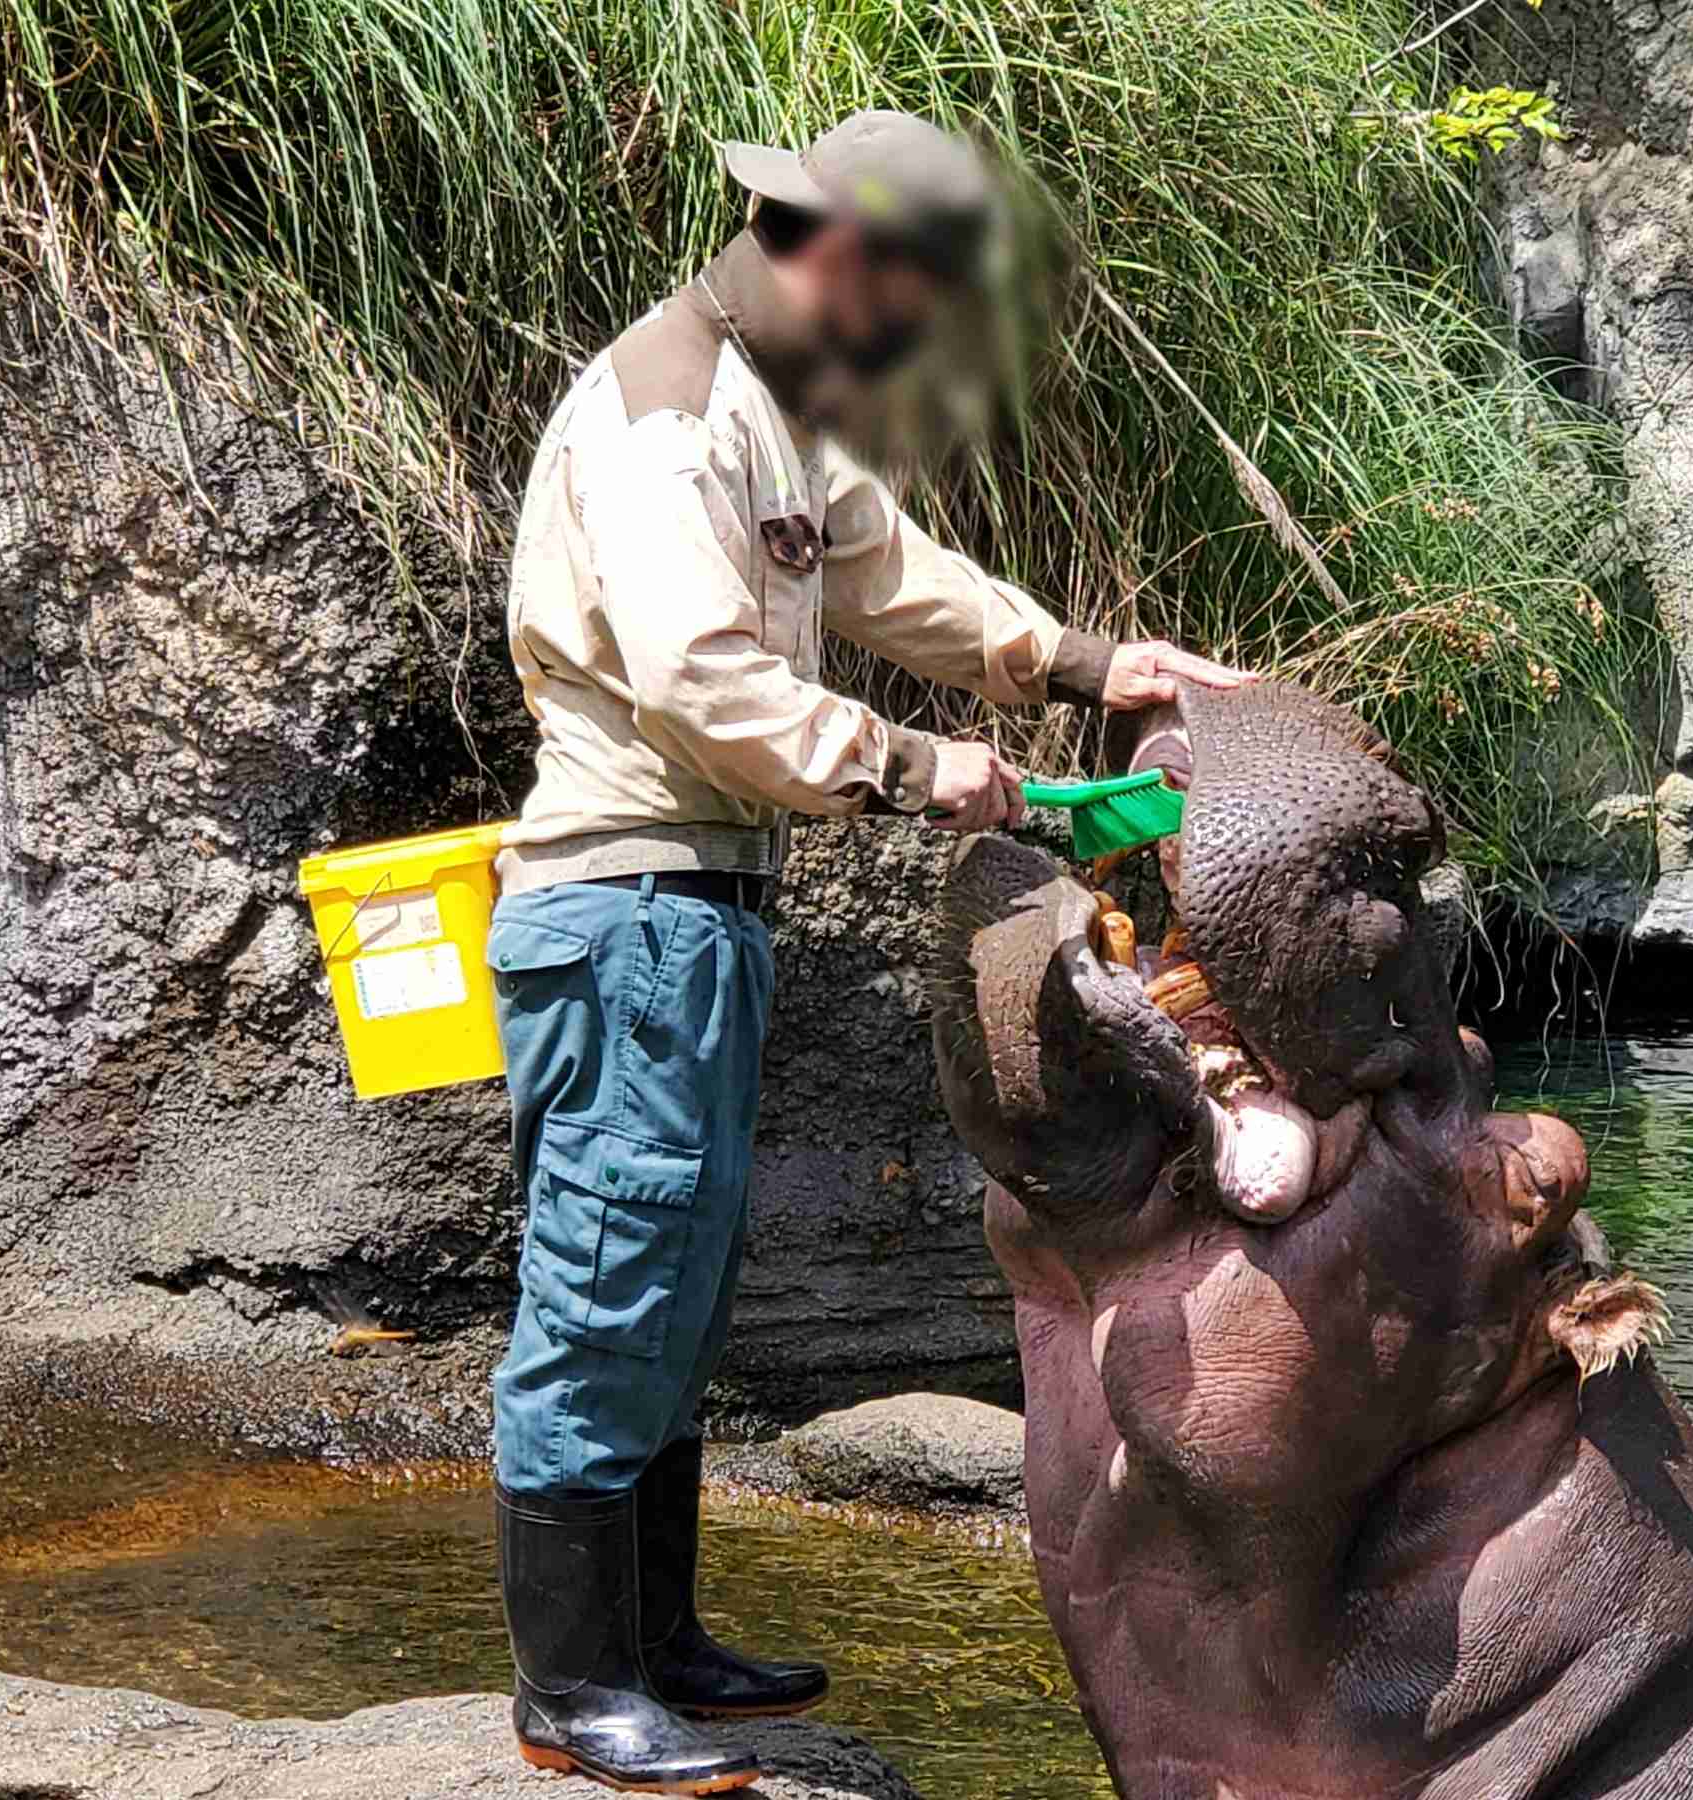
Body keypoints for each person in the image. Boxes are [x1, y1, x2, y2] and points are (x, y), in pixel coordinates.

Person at [484, 109, 1242, 1794]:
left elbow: (897, 579)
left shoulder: (766, 405)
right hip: (624, 907)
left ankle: (656, 1642)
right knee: (611, 1274)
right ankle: (570, 1690)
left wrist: (1091, 666)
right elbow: (703, 685)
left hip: (697, 913)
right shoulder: (666, 422)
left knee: (673, 1279)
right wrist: (910, 765)